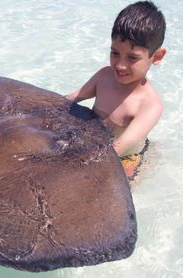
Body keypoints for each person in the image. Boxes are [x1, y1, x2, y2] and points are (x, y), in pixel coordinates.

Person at [66, 1, 166, 178]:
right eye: (115, 53)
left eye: (132, 58)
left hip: (127, 156)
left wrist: (79, 163)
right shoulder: (104, 76)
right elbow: (70, 99)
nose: (120, 65)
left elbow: (120, 146)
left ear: (156, 56)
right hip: (96, 139)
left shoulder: (150, 106)